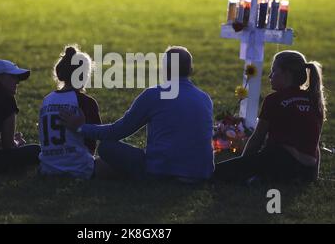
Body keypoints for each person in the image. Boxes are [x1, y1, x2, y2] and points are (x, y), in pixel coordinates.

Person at [60, 46, 215, 183]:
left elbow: (117, 132)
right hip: (200, 174)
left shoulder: (154, 95)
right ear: (191, 71)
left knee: (107, 147)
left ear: (164, 69)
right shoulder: (205, 98)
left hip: (161, 172)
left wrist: (81, 128)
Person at [214, 50, 327, 183]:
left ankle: (261, 177)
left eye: (273, 71)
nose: (269, 76)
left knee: (216, 172)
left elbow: (258, 138)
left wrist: (243, 164)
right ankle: (273, 178)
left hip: (279, 161)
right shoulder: (314, 100)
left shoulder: (274, 100)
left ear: (287, 73)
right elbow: (314, 144)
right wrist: (313, 176)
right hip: (306, 169)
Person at [38, 45, 113, 179]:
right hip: (79, 167)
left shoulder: (47, 100)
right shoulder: (85, 102)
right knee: (118, 163)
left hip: (47, 167)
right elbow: (93, 139)